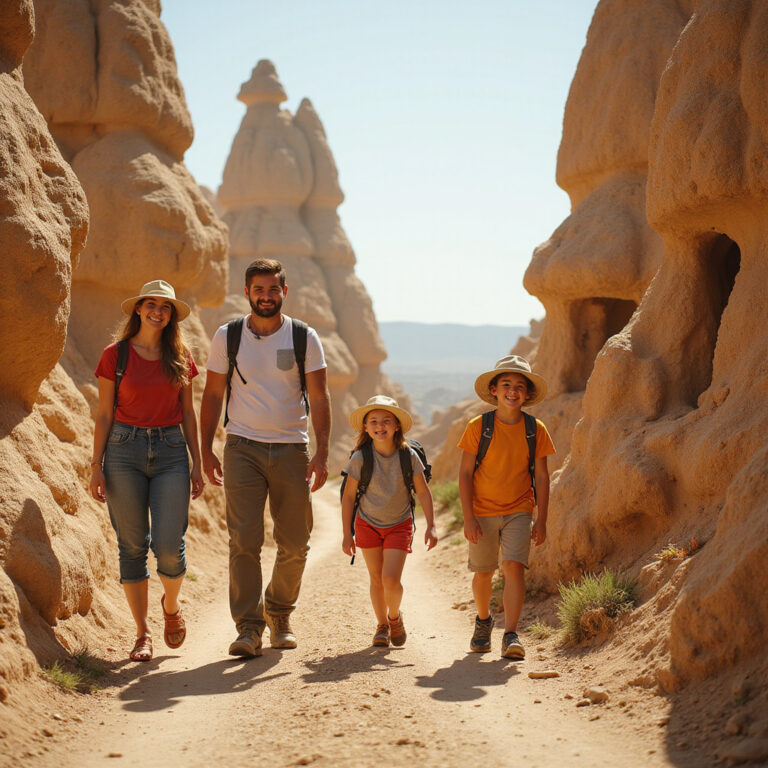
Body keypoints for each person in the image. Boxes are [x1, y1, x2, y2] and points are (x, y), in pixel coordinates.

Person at [201, 258, 331, 658]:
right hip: (242, 447)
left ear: (284, 292)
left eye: (273, 289)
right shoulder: (229, 335)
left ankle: (279, 612)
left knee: (295, 542)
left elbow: (321, 396)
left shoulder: (303, 337)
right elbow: (211, 395)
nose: (266, 296)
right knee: (244, 541)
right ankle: (248, 628)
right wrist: (205, 449)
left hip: (292, 448)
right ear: (247, 293)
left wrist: (322, 450)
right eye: (259, 289)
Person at [90, 279, 204, 662]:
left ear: (171, 315)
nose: (158, 311)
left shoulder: (181, 355)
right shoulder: (115, 355)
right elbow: (104, 413)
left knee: (169, 546)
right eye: (151, 304)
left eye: (165, 306)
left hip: (172, 450)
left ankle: (171, 607)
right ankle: (142, 634)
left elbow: (188, 412)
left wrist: (198, 463)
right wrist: (96, 467)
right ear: (138, 308)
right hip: (123, 452)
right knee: (132, 546)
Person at [457, 355, 555, 659]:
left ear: (526, 394)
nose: (513, 391)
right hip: (482, 511)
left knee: (514, 568)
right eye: (506, 385)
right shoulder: (478, 426)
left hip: (519, 508)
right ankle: (484, 622)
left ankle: (511, 634)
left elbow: (541, 475)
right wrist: (468, 517)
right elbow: (464, 473)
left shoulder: (535, 429)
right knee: (484, 572)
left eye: (519, 386)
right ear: (494, 390)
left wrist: (541, 520)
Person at [341, 395, 438, 647]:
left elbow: (423, 491)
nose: (379, 425)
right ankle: (382, 625)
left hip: (399, 523)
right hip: (367, 523)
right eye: (373, 421)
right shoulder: (360, 457)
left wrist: (431, 525)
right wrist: (346, 533)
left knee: (390, 580)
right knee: (376, 579)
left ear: (397, 426)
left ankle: (394, 617)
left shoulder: (408, 456)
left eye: (386, 420)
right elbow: (349, 496)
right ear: (365, 427)